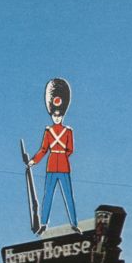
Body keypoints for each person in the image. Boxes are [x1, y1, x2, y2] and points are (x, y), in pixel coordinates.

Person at [27, 78, 79, 235]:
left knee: (68, 196)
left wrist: (60, 155)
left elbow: (70, 149)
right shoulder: (48, 131)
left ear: (62, 115)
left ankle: (74, 223)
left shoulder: (68, 131)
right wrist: (33, 161)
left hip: (63, 166)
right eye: (54, 115)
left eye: (59, 115)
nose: (56, 117)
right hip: (51, 166)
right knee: (47, 196)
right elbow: (43, 149)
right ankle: (44, 223)